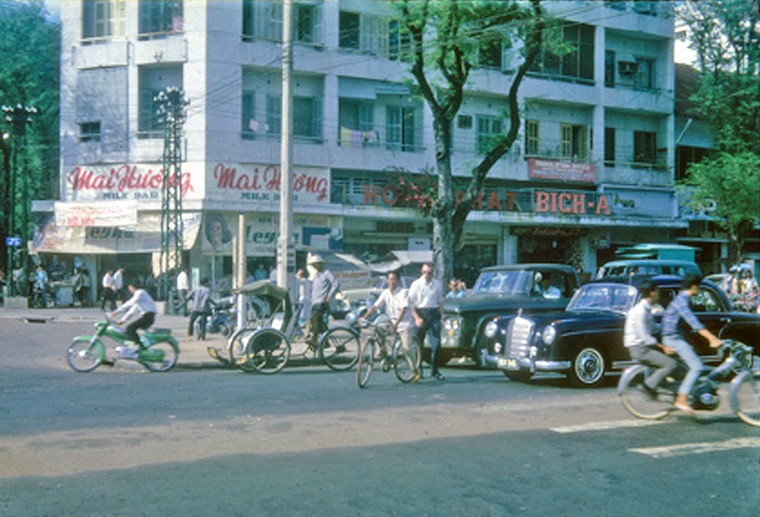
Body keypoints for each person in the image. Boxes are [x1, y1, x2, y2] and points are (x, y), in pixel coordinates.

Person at [662, 274, 723, 415]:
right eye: (699, 286)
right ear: (694, 286)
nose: (700, 289)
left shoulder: (681, 299)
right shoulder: (682, 301)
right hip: (673, 339)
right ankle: (681, 399)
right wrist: (712, 339)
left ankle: (691, 393)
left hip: (675, 337)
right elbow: (694, 323)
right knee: (697, 367)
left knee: (694, 361)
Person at [624, 280, 678, 398]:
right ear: (652, 293)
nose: (659, 295)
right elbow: (645, 337)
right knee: (671, 364)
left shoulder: (647, 310)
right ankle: (648, 386)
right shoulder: (640, 312)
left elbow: (654, 329)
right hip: (640, 349)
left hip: (643, 347)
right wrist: (664, 347)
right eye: (657, 292)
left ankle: (661, 383)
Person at [361, 271, 418, 379]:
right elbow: (375, 306)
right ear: (387, 280)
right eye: (390, 279)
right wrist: (365, 317)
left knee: (406, 349)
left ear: (398, 280)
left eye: (394, 279)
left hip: (404, 323)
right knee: (377, 327)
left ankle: (415, 369)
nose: (392, 282)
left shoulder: (403, 292)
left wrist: (396, 324)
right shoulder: (385, 293)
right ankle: (382, 352)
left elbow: (403, 309)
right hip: (391, 320)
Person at [408, 263, 445, 381]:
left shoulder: (437, 285)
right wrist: (416, 318)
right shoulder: (416, 284)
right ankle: (418, 370)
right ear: (421, 272)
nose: (427, 275)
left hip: (433, 314)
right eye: (424, 272)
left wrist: (442, 317)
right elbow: (411, 303)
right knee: (418, 344)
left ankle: (435, 370)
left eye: (429, 273)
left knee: (436, 344)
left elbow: (440, 302)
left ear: (433, 273)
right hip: (420, 313)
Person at [109, 279, 158, 357]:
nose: (129, 289)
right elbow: (132, 310)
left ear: (132, 287)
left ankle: (137, 347)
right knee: (132, 330)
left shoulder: (140, 293)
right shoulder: (139, 295)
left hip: (148, 316)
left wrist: (116, 312)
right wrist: (123, 320)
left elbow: (129, 303)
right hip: (148, 316)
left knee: (130, 328)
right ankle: (138, 347)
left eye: (129, 287)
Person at [307, 254, 339, 348]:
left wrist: (329, 296)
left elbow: (336, 284)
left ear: (320, 264)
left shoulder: (326, 273)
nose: (315, 266)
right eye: (314, 265)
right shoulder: (316, 275)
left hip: (322, 301)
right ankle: (326, 342)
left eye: (316, 264)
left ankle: (314, 340)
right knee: (317, 323)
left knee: (316, 320)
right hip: (315, 302)